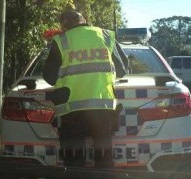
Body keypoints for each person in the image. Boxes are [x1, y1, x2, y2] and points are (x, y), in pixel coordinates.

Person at [43, 10, 128, 168]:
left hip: (71, 110)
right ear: (84, 21)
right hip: (103, 107)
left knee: (74, 157)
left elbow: (49, 76)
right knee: (104, 156)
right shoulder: (105, 36)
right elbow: (122, 70)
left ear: (64, 26)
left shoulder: (62, 41)